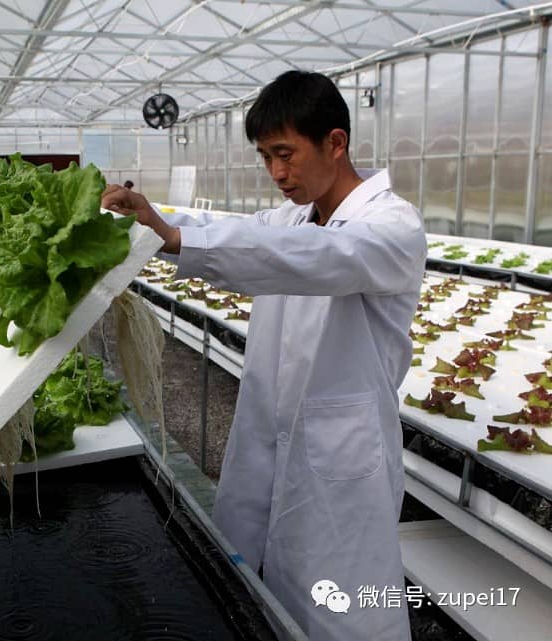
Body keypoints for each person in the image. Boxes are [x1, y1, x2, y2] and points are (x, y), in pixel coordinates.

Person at [102, 70, 425, 641]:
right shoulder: (292, 218)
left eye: (285, 154)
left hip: (343, 462)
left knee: (342, 613)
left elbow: (315, 256)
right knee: (253, 600)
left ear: (335, 142)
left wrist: (175, 239)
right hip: (271, 438)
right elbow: (235, 230)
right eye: (265, 157)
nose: (276, 172)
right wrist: (153, 220)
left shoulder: (391, 226)